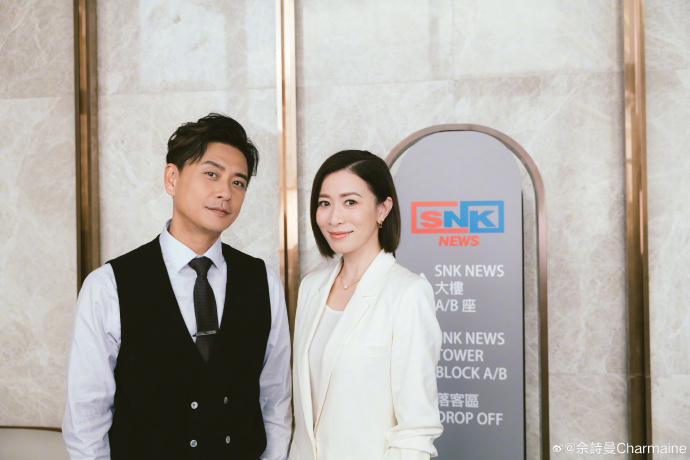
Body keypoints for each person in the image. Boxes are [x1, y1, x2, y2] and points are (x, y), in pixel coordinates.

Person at [63, 113, 292, 459]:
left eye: (238, 182)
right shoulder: (108, 286)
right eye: (211, 174)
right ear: (172, 178)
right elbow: (86, 419)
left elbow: (275, 400)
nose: (225, 193)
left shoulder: (264, 281)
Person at [290, 150, 443, 460]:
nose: (334, 217)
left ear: (382, 209)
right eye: (324, 203)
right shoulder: (311, 288)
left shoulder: (407, 293)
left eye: (350, 202)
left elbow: (415, 431)